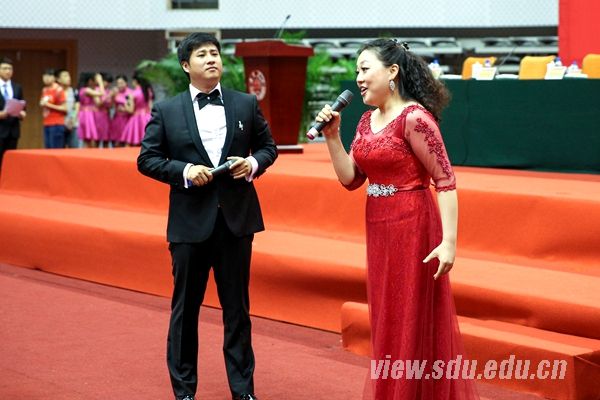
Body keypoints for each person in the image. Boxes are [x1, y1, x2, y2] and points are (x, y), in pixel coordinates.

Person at [315, 39, 479, 400]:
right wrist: (332, 136)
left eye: (364, 69)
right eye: (356, 71)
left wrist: (449, 242)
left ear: (392, 72)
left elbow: (445, 181)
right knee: (388, 316)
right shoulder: (365, 120)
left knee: (411, 316)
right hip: (379, 227)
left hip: (413, 224)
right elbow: (350, 179)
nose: (358, 78)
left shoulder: (415, 118)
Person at [137, 32, 277, 400]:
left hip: (236, 222)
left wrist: (252, 164)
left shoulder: (245, 103)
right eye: (202, 55)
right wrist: (184, 171)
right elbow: (147, 159)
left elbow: (268, 148)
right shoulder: (167, 110)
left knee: (237, 311)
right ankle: (184, 391)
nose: (211, 59)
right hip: (189, 224)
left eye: (215, 53)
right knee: (185, 311)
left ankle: (243, 391)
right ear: (186, 65)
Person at [0, 57, 26, 169]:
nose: (8, 71)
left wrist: (22, 113)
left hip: (13, 129)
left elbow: (22, 104)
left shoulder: (17, 87)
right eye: (4, 68)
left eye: (10, 69)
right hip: (0, 127)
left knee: (10, 160)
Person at [122, 71, 153, 146]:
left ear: (135, 81)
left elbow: (130, 110)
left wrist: (125, 105)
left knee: (131, 143)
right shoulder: (148, 91)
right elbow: (151, 107)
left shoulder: (133, 94)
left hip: (136, 119)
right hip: (147, 118)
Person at [39, 68, 67, 148]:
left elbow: (65, 108)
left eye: (49, 76)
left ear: (54, 78)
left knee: (55, 149)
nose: (46, 78)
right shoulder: (44, 90)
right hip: (47, 123)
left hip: (57, 124)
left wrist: (49, 105)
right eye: (44, 76)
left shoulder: (59, 90)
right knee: (48, 148)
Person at [77, 72, 104, 148]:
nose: (96, 83)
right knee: (90, 138)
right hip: (87, 114)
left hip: (86, 113)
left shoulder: (83, 89)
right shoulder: (86, 90)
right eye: (95, 80)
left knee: (87, 139)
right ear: (90, 81)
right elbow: (102, 93)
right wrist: (100, 82)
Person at [57, 69, 79, 148]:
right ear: (58, 79)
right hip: (59, 124)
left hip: (72, 123)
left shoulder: (74, 91)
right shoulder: (56, 91)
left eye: (69, 76)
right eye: (65, 76)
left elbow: (76, 106)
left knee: (73, 147)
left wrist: (72, 118)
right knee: (59, 148)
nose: (68, 78)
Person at [110, 74, 131, 147]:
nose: (120, 85)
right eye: (118, 83)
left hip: (127, 119)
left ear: (126, 83)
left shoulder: (130, 92)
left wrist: (125, 109)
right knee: (116, 142)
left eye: (121, 83)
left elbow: (133, 107)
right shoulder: (115, 92)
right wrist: (112, 96)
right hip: (117, 119)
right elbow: (111, 106)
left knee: (126, 142)